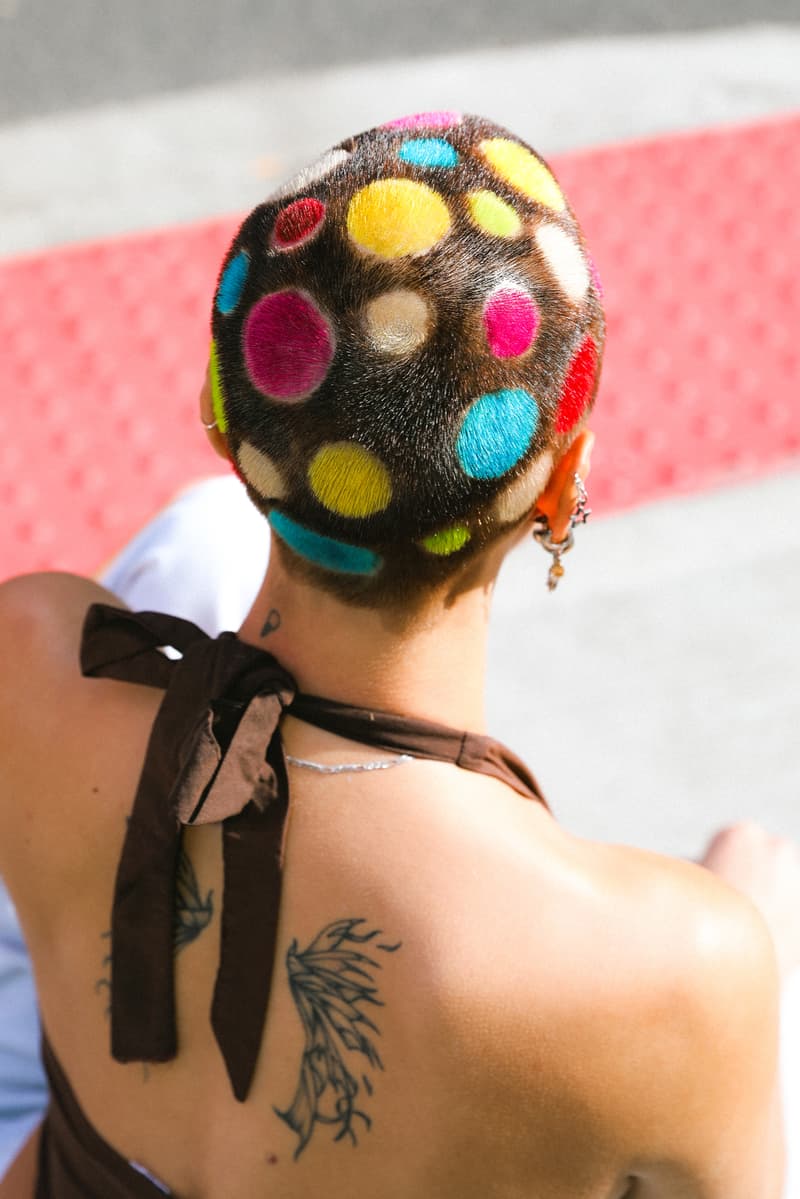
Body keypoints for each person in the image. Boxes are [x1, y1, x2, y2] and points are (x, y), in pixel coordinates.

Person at [0, 111, 797, 1198]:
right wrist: (732, 925)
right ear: (561, 488)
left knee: (201, 540)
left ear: (214, 410)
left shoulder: (36, 653)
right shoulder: (679, 973)